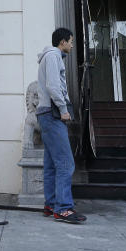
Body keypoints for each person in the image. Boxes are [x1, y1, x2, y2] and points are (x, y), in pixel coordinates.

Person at [36, 28, 86, 224]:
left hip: (45, 114)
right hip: (52, 114)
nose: (72, 45)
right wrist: (63, 108)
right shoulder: (53, 56)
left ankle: (51, 205)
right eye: (71, 41)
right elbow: (53, 86)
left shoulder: (49, 57)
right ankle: (63, 209)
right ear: (62, 42)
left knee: (51, 164)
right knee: (66, 163)